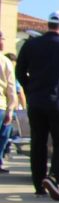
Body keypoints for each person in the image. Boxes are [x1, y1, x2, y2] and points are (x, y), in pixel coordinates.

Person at [14, 10, 59, 200]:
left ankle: (38, 185)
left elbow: (20, 72)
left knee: (38, 143)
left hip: (37, 101)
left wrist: (30, 90)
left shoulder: (31, 45)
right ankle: (54, 177)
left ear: (48, 25)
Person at [0, 31, 16, 174]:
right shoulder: (5, 62)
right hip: (1, 105)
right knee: (3, 136)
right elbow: (11, 88)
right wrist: (10, 109)